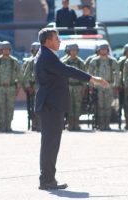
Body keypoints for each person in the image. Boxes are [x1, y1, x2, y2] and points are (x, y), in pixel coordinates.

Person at [35, 28, 108, 190]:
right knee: (50, 144)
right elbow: (67, 71)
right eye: (56, 38)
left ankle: (48, 178)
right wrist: (92, 79)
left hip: (51, 104)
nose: (59, 41)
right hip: (51, 105)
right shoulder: (47, 57)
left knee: (51, 143)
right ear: (47, 41)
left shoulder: (46, 54)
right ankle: (47, 179)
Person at [0, 41, 21, 132]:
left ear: (10, 50)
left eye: (8, 49)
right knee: (1, 107)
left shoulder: (14, 61)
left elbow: (19, 74)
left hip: (11, 87)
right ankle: (2, 126)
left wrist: (18, 87)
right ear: (1, 50)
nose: (6, 51)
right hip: (0, 87)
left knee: (10, 107)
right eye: (4, 49)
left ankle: (8, 126)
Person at [89, 43, 119, 130]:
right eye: (102, 49)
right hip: (98, 86)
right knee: (100, 106)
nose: (103, 51)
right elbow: (90, 74)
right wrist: (91, 86)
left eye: (105, 49)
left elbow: (117, 74)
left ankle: (107, 124)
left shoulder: (112, 61)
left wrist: (116, 85)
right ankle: (101, 125)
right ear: (99, 50)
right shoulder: (94, 61)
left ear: (108, 50)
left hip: (109, 86)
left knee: (108, 106)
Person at [62, 44, 86, 131]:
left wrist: (83, 88)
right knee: (69, 106)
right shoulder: (64, 62)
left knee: (77, 106)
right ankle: (70, 124)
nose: (74, 52)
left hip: (78, 86)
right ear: (69, 51)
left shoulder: (81, 62)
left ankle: (77, 124)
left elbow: (84, 76)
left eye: (75, 50)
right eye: (72, 50)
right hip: (68, 86)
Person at [23, 42, 41, 131]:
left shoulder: (45, 60)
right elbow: (26, 76)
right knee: (35, 107)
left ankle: (43, 125)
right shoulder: (31, 62)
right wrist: (28, 87)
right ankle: (36, 124)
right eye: (35, 50)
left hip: (45, 86)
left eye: (39, 50)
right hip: (35, 86)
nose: (37, 51)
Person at [118, 44, 128, 129]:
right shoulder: (121, 61)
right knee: (125, 105)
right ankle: (127, 123)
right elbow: (118, 73)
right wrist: (120, 84)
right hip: (124, 87)